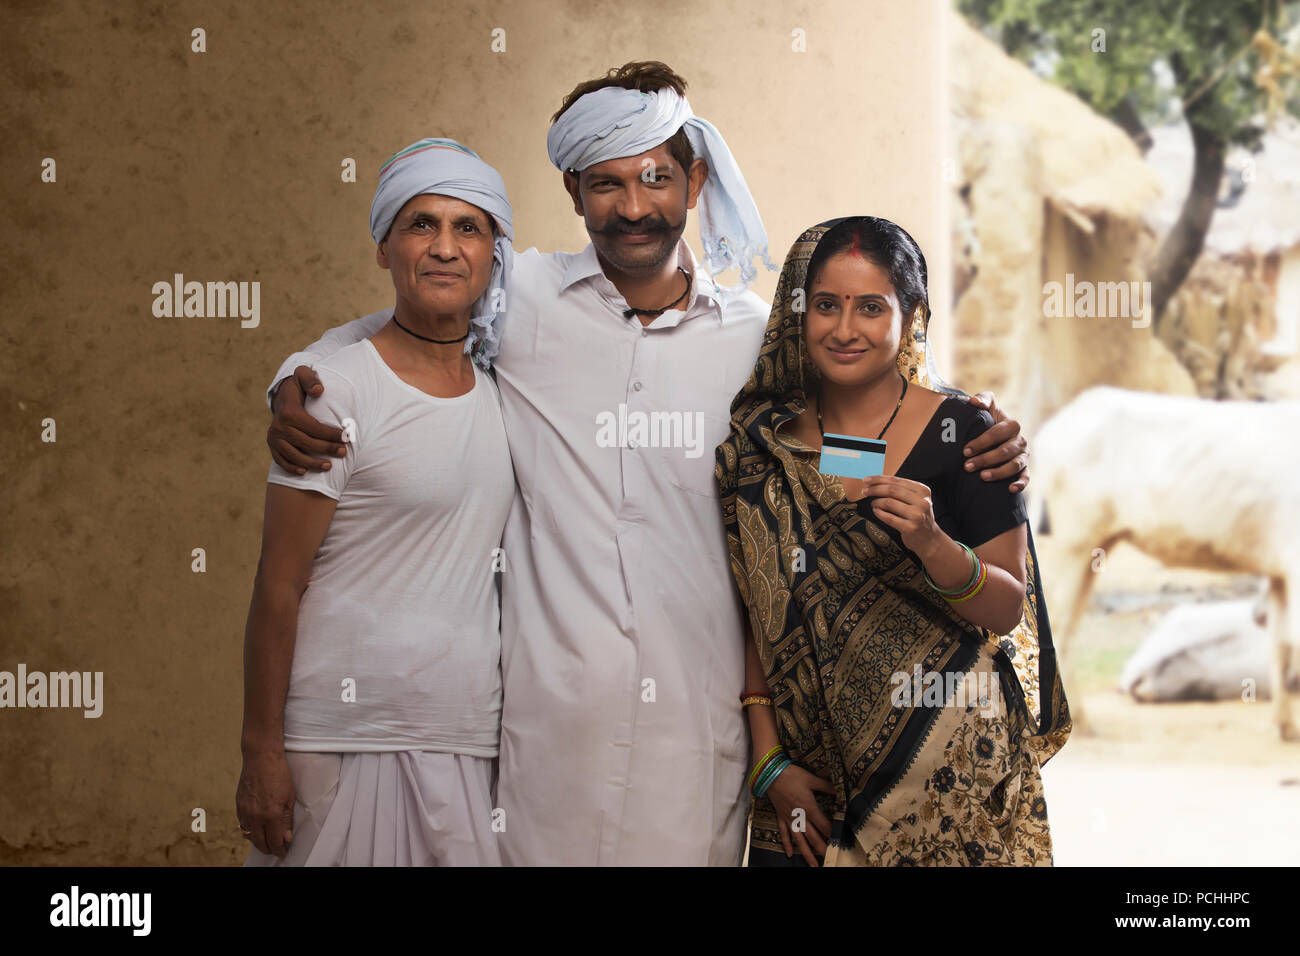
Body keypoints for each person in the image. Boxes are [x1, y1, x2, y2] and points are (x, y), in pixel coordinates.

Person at [264, 63, 1033, 866]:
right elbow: (411, 318)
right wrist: (297, 378)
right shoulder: (520, 298)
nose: (633, 206)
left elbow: (848, 428)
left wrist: (966, 430)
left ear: (695, 182)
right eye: (607, 182)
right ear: (572, 190)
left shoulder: (750, 342)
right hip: (542, 733)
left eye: (656, 178)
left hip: (697, 734)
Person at [716, 216, 1072, 867]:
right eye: (826, 305)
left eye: (871, 308)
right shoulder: (764, 450)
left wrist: (934, 543)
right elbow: (755, 617)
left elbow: (1005, 606)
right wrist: (768, 765)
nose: (845, 329)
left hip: (947, 781)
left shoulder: (965, 432)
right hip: (807, 793)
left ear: (910, 317)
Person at [236, 138, 516, 866]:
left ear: (494, 253)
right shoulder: (335, 393)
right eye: (421, 224)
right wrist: (261, 750)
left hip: (464, 736)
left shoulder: (503, 389)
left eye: (468, 228)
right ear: (385, 247)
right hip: (339, 736)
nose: (445, 248)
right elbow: (278, 583)